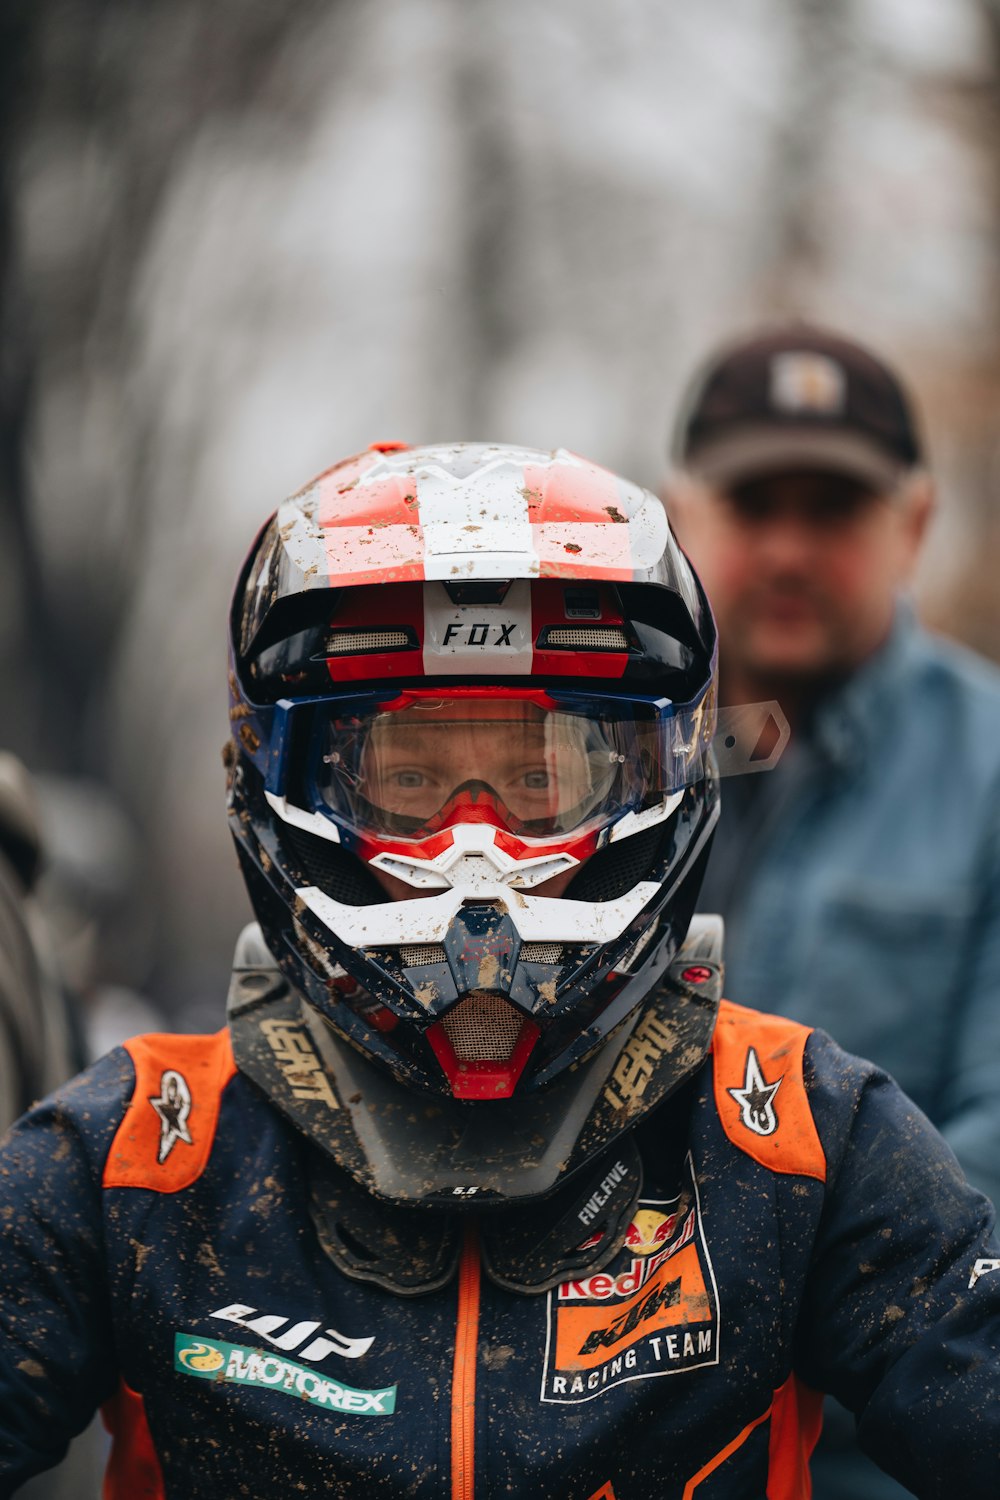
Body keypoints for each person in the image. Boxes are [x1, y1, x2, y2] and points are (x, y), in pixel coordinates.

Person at [1, 440, 1000, 1500]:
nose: (472, 844)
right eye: (410, 775)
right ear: (293, 774)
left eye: (538, 775)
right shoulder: (138, 1153)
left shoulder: (800, 1131)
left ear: (649, 767)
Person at [666, 325, 1000, 1500]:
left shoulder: (992, 771)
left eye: (835, 509)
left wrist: (701, 1308)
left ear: (911, 525)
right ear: (681, 516)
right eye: (756, 505)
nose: (790, 549)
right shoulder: (593, 769)